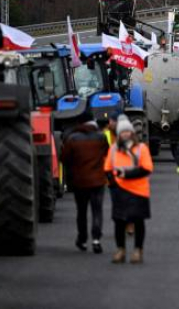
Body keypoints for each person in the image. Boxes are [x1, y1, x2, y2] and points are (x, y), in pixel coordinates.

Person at [105, 116, 154, 264]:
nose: (125, 134)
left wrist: (126, 174)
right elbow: (107, 168)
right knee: (119, 222)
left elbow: (147, 169)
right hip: (120, 191)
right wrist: (113, 184)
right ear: (119, 134)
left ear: (132, 133)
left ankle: (138, 250)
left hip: (139, 191)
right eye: (122, 132)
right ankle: (120, 250)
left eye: (127, 131)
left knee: (138, 222)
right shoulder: (114, 149)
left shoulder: (141, 149)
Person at [61, 111, 109, 254]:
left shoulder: (72, 139)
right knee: (97, 210)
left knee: (81, 212)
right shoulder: (101, 137)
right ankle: (96, 240)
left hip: (80, 181)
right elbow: (107, 154)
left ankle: (82, 239)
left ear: (80, 123)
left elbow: (64, 158)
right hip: (98, 181)